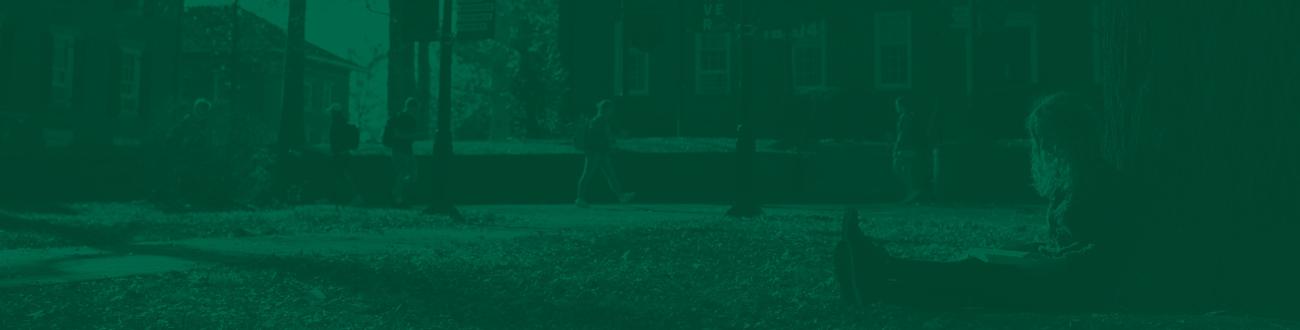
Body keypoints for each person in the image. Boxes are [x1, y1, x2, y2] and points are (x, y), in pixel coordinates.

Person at [836, 92, 1150, 312]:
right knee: (977, 274)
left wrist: (1058, 260)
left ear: (1074, 136)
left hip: (1078, 289)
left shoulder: (1108, 185)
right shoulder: (1066, 187)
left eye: (1050, 139)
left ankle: (882, 271)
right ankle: (879, 284)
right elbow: (1065, 241)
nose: (1046, 149)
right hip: (1055, 277)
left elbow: (1109, 250)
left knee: (978, 278)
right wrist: (1033, 251)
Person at [574, 99, 635, 207]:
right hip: (596, 153)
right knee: (588, 174)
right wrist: (614, 144)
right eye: (611, 109)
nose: (612, 111)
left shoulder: (595, 120)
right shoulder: (602, 120)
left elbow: (603, 136)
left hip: (599, 152)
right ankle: (580, 198)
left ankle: (621, 196)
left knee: (610, 174)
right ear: (606, 109)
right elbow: (607, 136)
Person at [891, 95, 938, 204]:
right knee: (907, 169)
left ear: (902, 106)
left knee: (899, 166)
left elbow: (902, 135)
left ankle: (912, 190)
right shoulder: (911, 117)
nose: (896, 108)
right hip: (911, 147)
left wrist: (897, 146)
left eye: (897, 105)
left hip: (905, 147)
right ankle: (912, 191)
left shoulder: (905, 118)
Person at [384, 98, 420, 206]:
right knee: (403, 173)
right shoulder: (401, 118)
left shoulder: (409, 119)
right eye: (415, 108)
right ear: (410, 107)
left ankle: (400, 196)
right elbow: (397, 135)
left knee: (411, 174)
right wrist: (414, 136)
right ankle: (397, 196)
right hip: (399, 150)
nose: (416, 111)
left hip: (407, 151)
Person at [329, 103, 361, 205]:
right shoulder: (343, 122)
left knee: (342, 175)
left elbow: (335, 140)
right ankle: (347, 197)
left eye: (331, 112)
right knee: (344, 175)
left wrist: (337, 150)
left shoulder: (336, 123)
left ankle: (353, 196)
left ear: (334, 113)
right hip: (345, 152)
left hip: (340, 154)